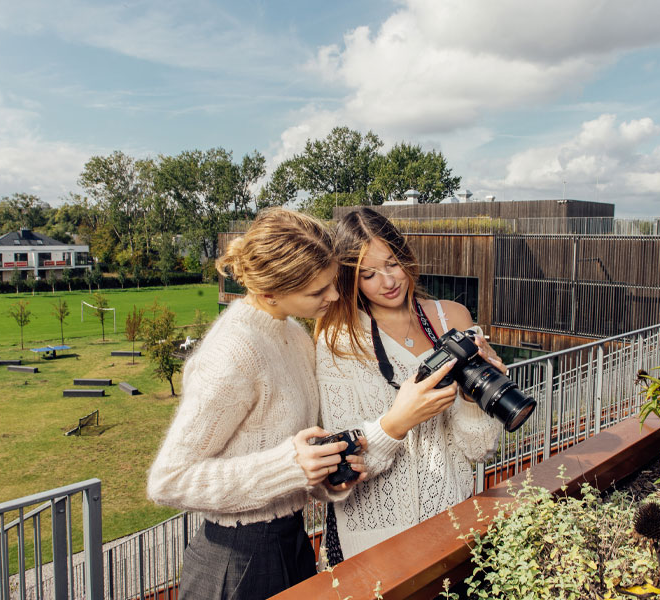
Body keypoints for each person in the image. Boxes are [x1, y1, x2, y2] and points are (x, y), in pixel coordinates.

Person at [147, 208, 367, 600]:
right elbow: (169, 480)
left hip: (293, 544)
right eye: (318, 291)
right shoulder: (233, 350)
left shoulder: (295, 338)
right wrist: (287, 466)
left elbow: (292, 455)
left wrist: (327, 473)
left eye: (332, 283)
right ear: (269, 293)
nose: (334, 296)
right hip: (235, 563)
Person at [315, 207, 505, 561]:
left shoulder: (453, 317)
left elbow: (479, 449)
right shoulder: (338, 338)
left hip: (453, 524)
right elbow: (342, 467)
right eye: (368, 274)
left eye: (392, 263)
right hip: (375, 542)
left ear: (405, 255)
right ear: (349, 279)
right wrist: (399, 421)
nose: (387, 282)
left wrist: (470, 396)